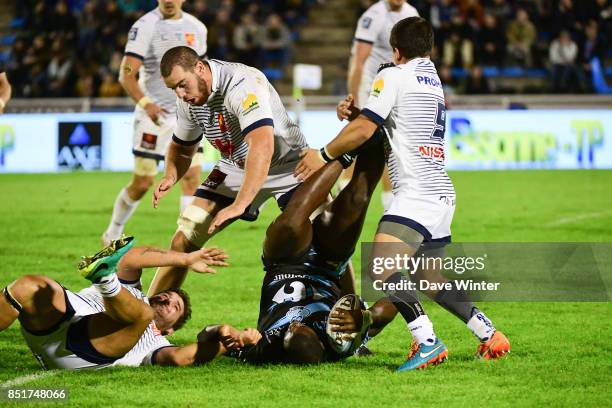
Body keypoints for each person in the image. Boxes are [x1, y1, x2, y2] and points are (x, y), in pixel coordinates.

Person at [297, 17, 510, 371]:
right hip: (441, 191)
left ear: (395, 51)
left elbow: (368, 127)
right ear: (428, 49)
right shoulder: (433, 81)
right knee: (430, 279)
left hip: (417, 192)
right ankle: (488, 333)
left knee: (381, 267)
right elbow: (383, 121)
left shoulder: (393, 75)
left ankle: (427, 341)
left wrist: (322, 154)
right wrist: (359, 114)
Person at [147, 46, 322, 297]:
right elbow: (182, 148)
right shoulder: (187, 100)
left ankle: (356, 317)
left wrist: (241, 203)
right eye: (173, 88)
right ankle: (149, 323)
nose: (180, 94)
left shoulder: (243, 84)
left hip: (290, 166)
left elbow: (262, 146)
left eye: (182, 85)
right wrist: (170, 176)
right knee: (185, 236)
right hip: (235, 166)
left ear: (199, 68)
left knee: (326, 238)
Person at [210, 132, 394, 364]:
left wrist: (225, 332)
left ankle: (344, 151)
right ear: (319, 347)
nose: (296, 327)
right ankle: (373, 131)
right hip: (328, 265)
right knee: (358, 197)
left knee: (291, 222)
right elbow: (396, 300)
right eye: (303, 334)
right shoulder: (342, 341)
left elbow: (207, 335)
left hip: (282, 261)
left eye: (292, 333)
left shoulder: (262, 350)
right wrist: (367, 317)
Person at [0, 236, 256, 369]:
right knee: (30, 286)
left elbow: (182, 357)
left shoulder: (156, 342)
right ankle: (104, 276)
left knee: (141, 315)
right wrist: (186, 259)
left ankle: (104, 279)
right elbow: (130, 259)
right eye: (167, 296)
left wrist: (230, 344)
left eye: (174, 307)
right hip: (62, 320)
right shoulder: (135, 292)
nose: (167, 299)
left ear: (169, 330)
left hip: (82, 354)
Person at [101, 0, 208, 246]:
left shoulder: (198, 28)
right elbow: (126, 74)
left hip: (187, 114)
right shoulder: (144, 26)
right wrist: (146, 104)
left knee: (191, 177)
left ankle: (185, 240)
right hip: (154, 117)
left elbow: (200, 73)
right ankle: (112, 233)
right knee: (142, 182)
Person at [339, 0, 419, 211]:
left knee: (392, 147)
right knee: (358, 141)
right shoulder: (373, 16)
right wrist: (353, 98)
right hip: (372, 85)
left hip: (397, 86)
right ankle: (342, 197)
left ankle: (391, 206)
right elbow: (359, 61)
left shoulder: (412, 13)